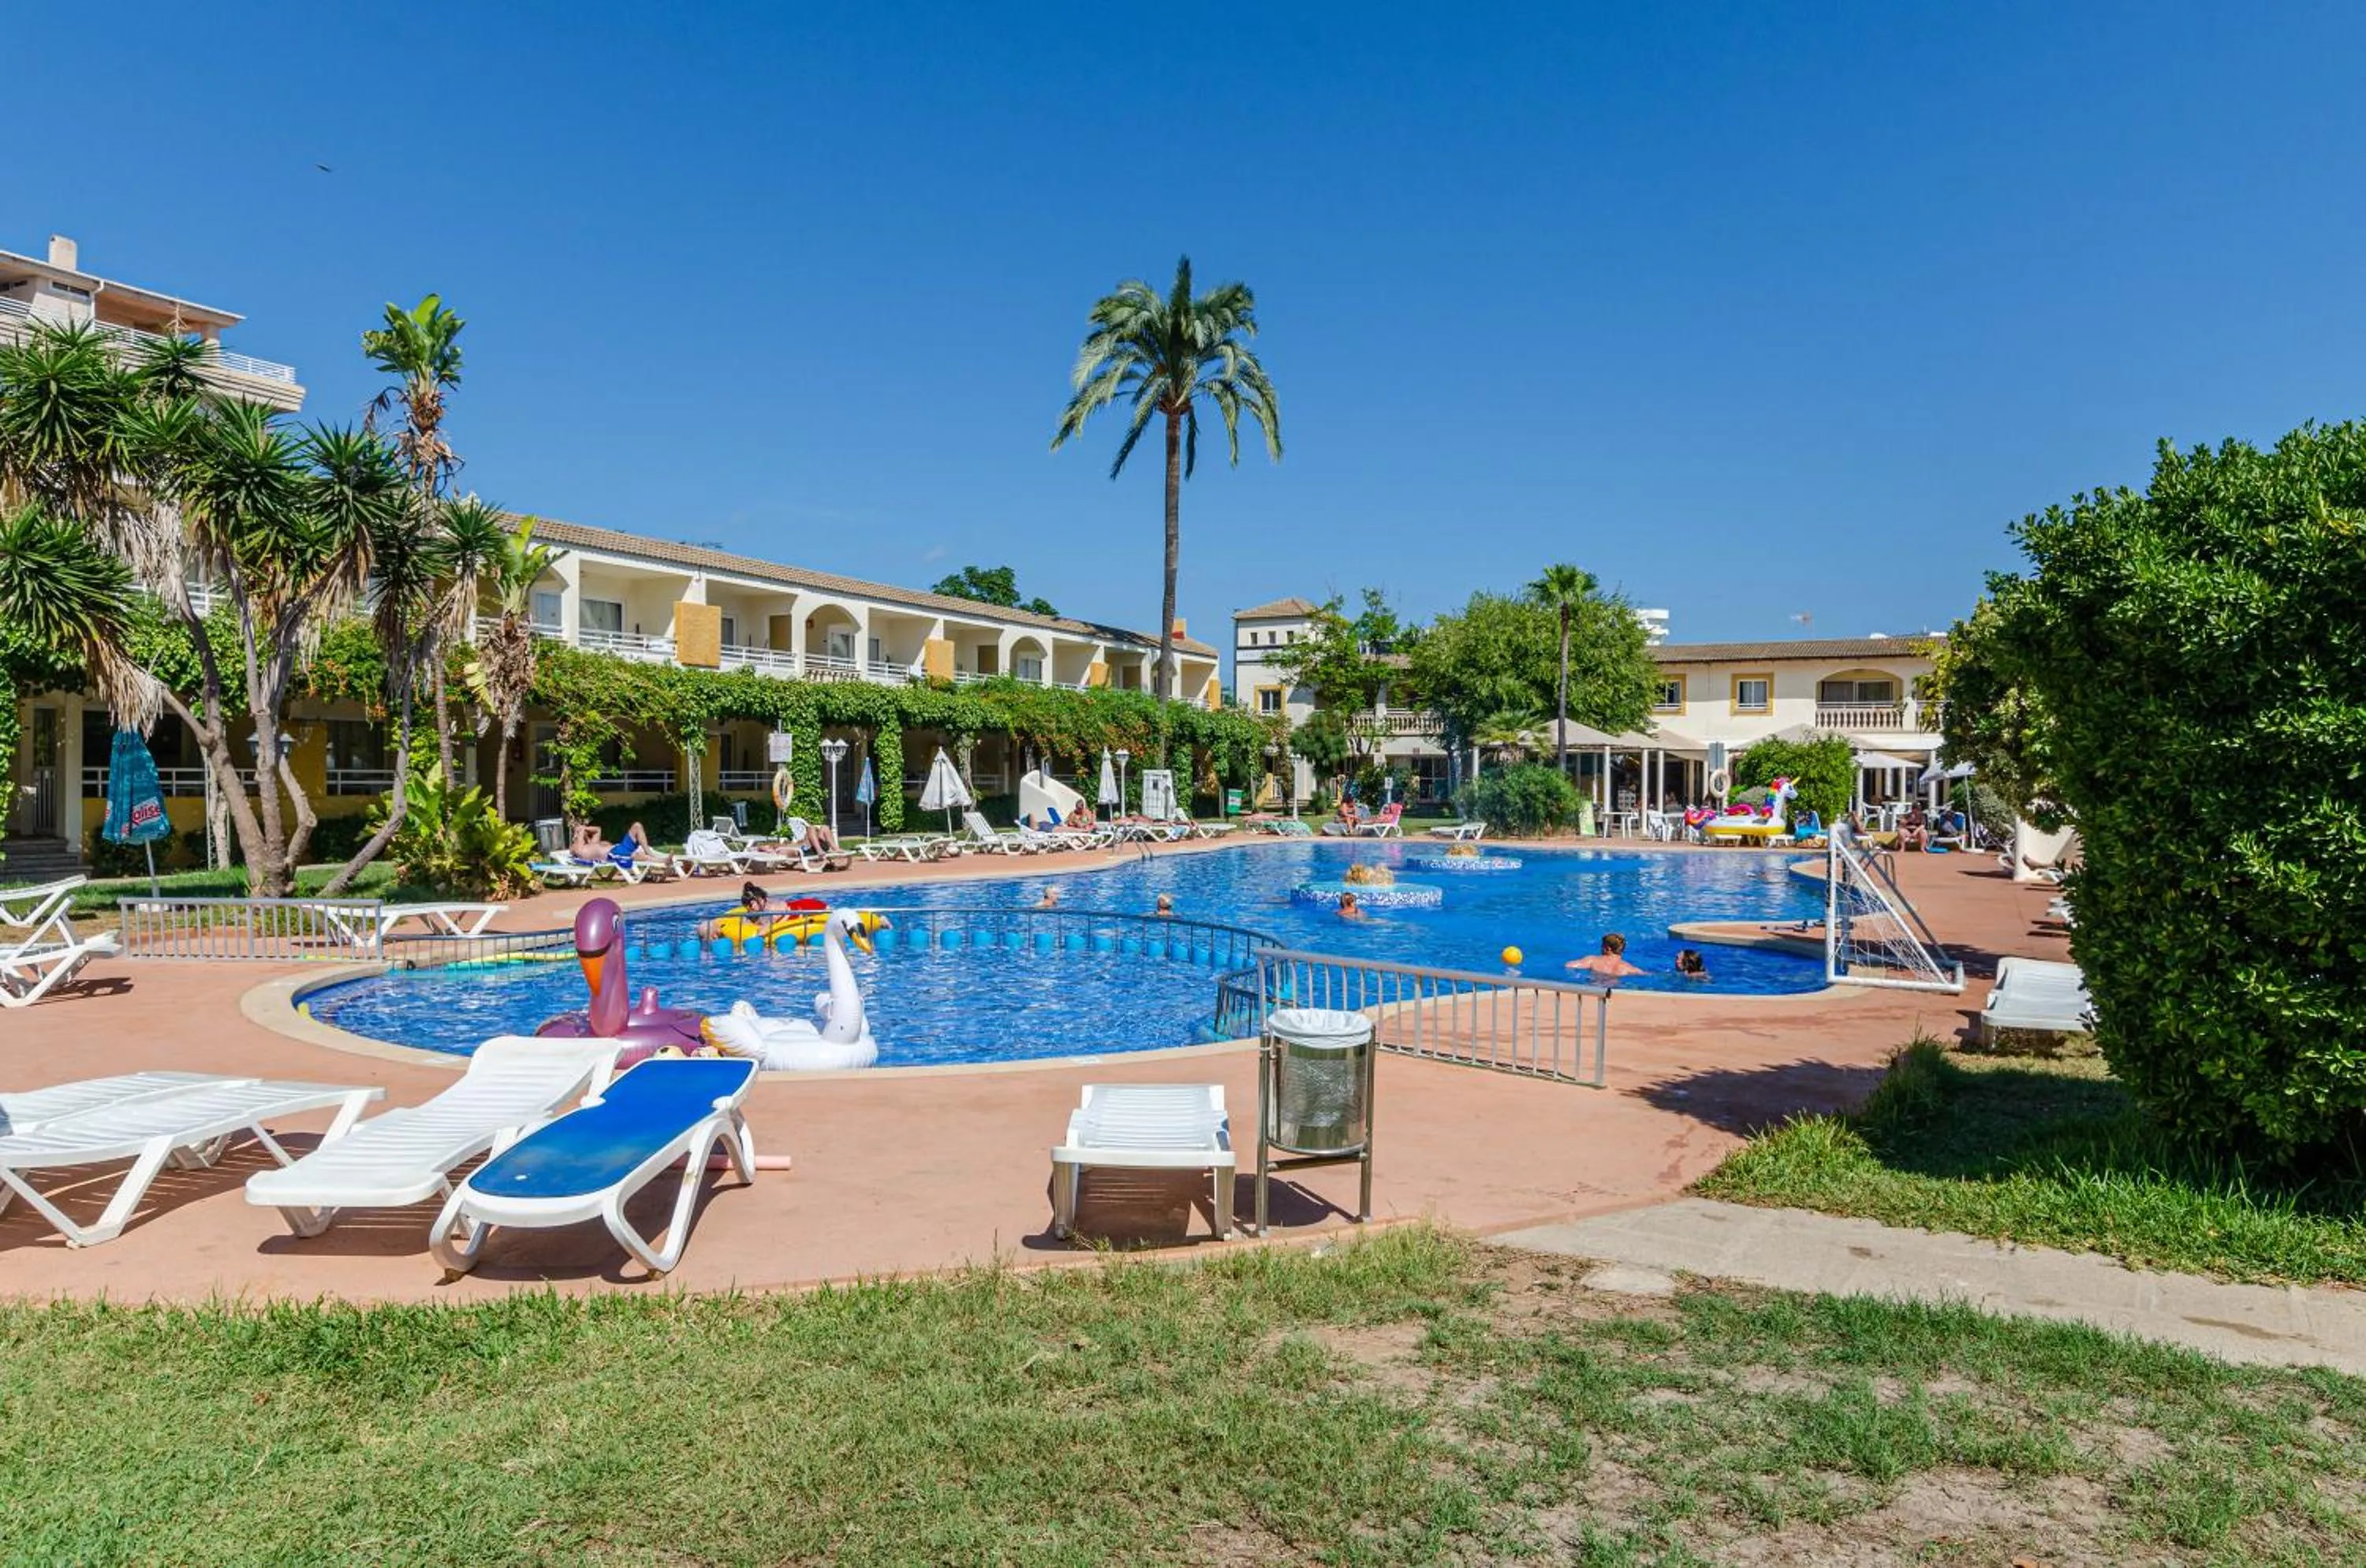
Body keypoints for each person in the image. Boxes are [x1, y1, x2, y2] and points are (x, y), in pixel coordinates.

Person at [699, 882, 779, 943]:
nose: (749, 909)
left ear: (761, 900)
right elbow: (722, 921)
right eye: (746, 907)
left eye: (751, 905)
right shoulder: (750, 915)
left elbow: (773, 920)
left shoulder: (774, 908)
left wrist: (759, 933)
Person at [1567, 932, 1646, 979]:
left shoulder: (1592, 960)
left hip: (1595, 991)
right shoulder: (1627, 968)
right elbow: (1645, 975)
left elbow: (1569, 965)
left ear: (1607, 948)